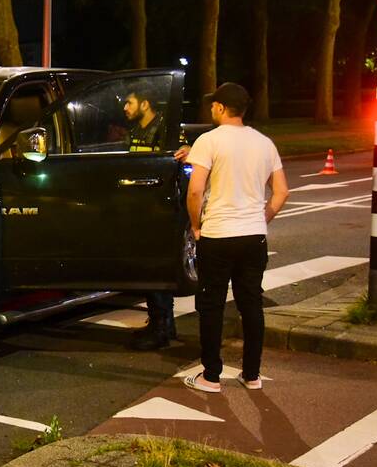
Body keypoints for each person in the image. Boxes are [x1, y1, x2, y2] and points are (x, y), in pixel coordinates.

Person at [183, 82, 288, 392]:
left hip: (218, 233)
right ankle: (252, 374)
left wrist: (195, 224)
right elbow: (281, 191)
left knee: (212, 303)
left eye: (212, 105)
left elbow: (195, 190)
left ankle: (211, 375)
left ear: (219, 107)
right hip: (253, 235)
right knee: (251, 303)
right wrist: (263, 217)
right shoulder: (265, 143)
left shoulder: (208, 141)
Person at [122, 91, 189, 351]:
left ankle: (161, 328)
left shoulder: (166, 130)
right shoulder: (135, 130)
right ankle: (163, 324)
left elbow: (179, 164)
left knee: (155, 267)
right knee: (148, 267)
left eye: (130, 102)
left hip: (160, 208)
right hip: (140, 206)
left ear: (145, 103)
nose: (125, 107)